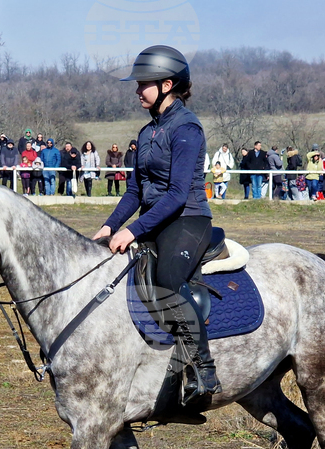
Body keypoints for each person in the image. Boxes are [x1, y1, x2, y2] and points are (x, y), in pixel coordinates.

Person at [92, 45, 220, 404]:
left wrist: (132, 230)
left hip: (188, 219)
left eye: (142, 84)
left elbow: (178, 193)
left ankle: (203, 369)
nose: (137, 90)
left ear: (166, 84)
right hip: (155, 220)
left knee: (166, 280)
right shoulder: (147, 133)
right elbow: (134, 190)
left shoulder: (187, 128)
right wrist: (110, 225)